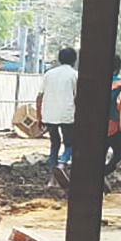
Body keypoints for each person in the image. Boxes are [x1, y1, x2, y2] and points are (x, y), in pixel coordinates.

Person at [36, 47, 78, 187]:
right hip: (67, 114)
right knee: (70, 144)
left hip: (49, 114)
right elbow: (78, 97)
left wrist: (38, 116)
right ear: (74, 60)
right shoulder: (75, 75)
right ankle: (63, 163)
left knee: (54, 143)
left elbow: (39, 96)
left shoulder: (49, 74)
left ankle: (52, 178)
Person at [104, 55, 121, 179]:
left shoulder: (94, 80)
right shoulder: (119, 85)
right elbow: (117, 105)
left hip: (92, 123)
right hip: (111, 123)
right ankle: (102, 173)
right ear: (118, 68)